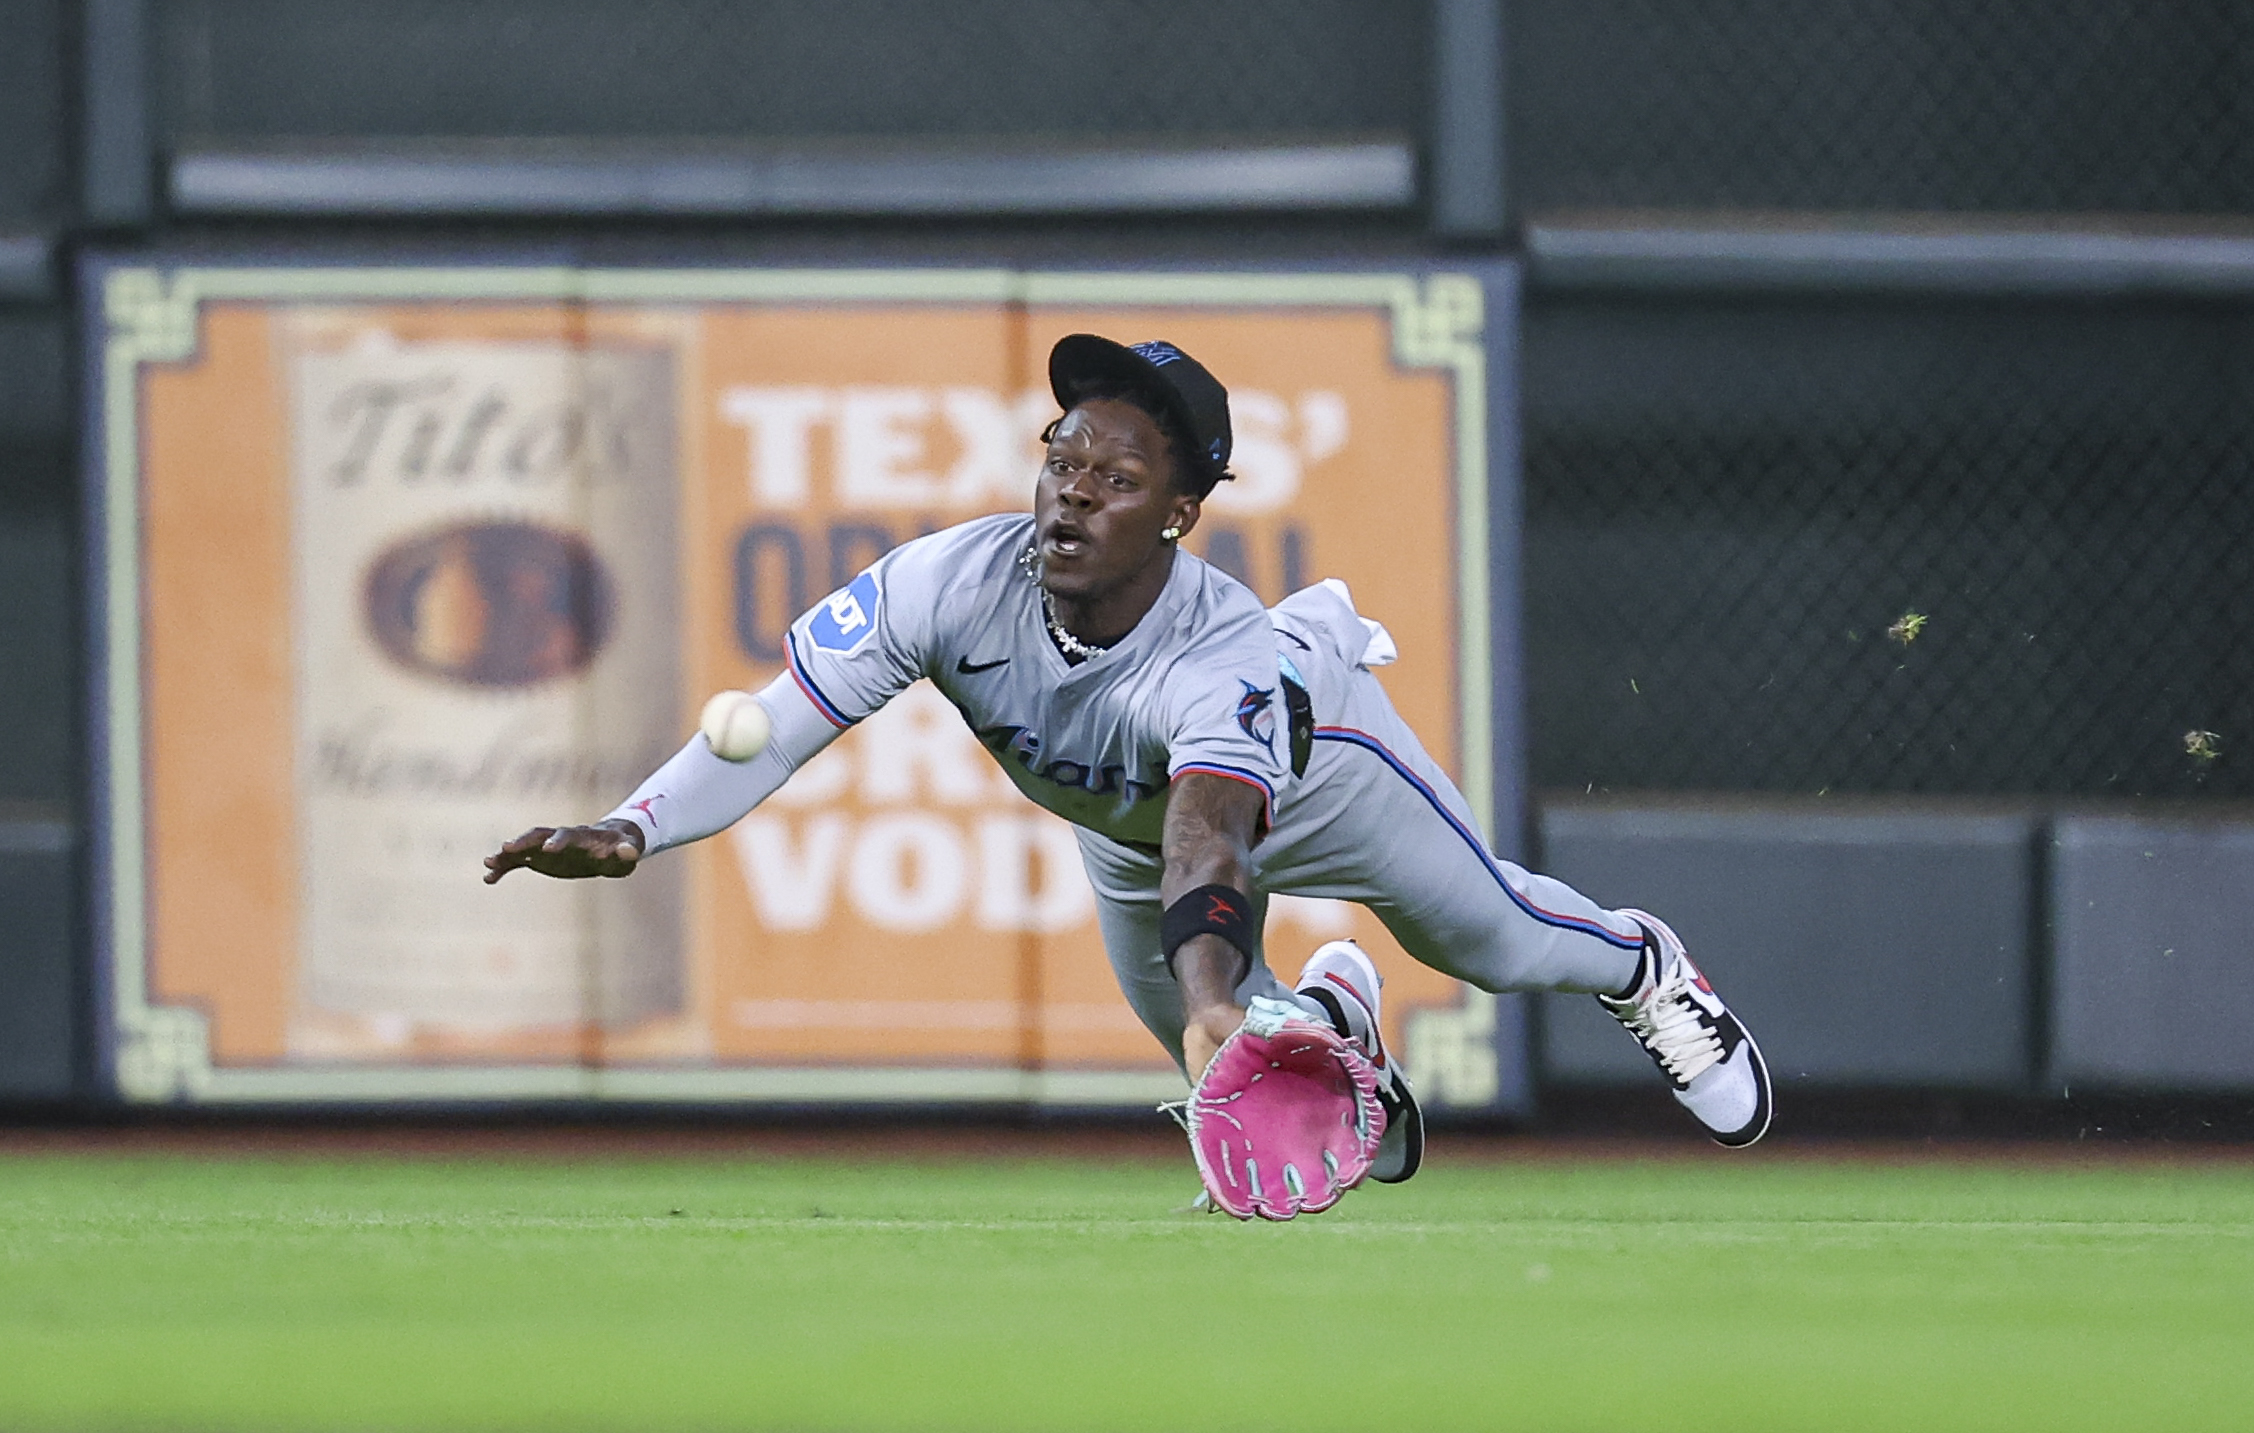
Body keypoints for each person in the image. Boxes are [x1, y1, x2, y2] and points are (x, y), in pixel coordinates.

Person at [484, 334, 1772, 1175]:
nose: (1076, 487)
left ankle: (1643, 963)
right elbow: (778, 722)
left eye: (1118, 471)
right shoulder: (948, 580)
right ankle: (1338, 1037)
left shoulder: (1217, 657)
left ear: (1179, 511)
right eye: (1063, 456)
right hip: (1129, 834)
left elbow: (1211, 837)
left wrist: (1216, 992)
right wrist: (637, 827)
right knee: (1230, 1061)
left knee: (1483, 944)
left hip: (1320, 783)